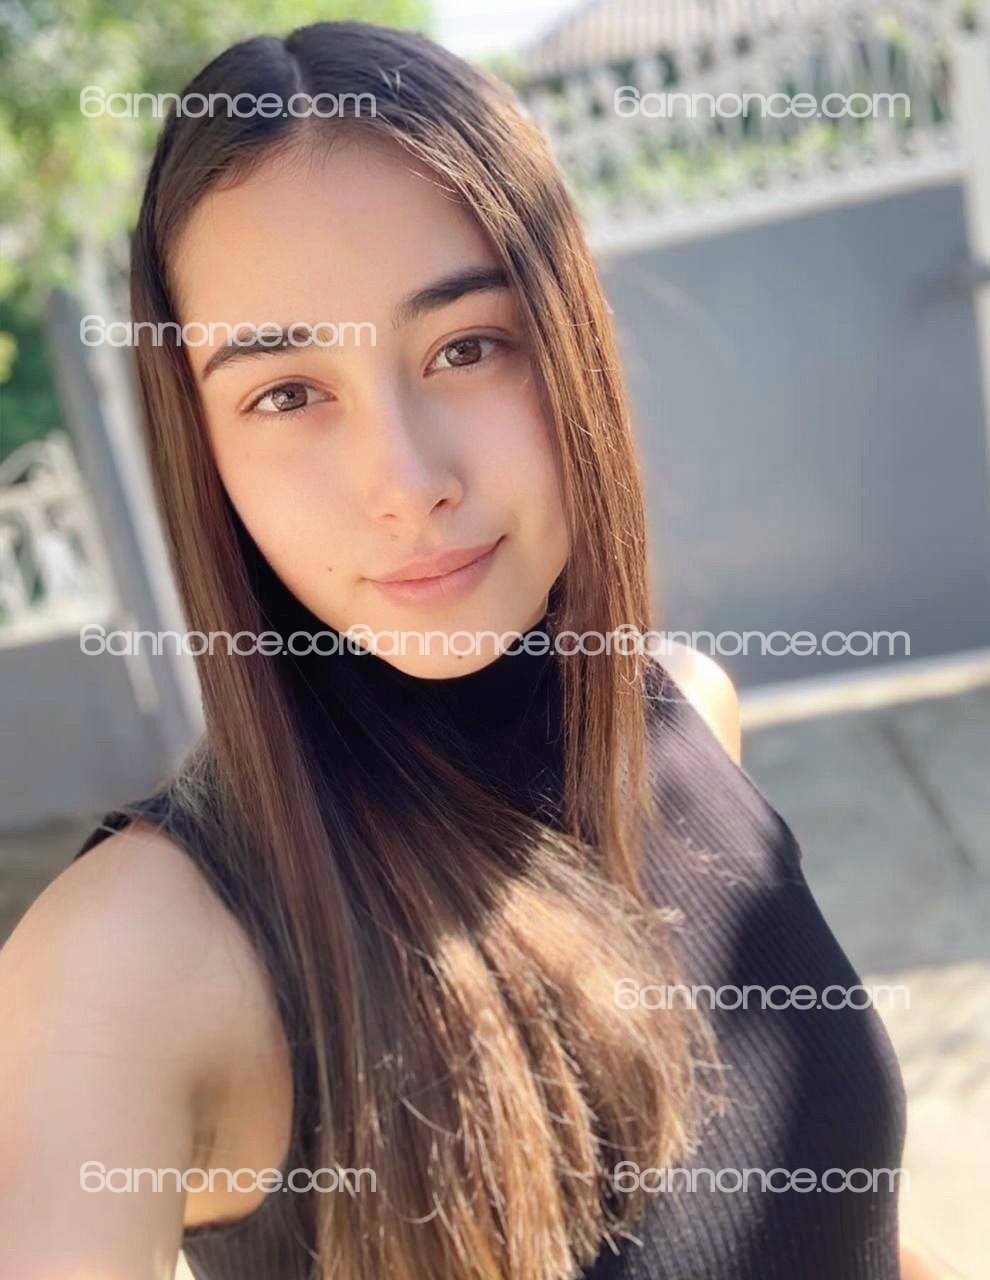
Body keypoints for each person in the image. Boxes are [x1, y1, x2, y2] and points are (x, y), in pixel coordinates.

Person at [1, 20, 928, 1280]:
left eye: (466, 347)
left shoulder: (680, 714)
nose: (406, 481)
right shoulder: (125, 963)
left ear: (570, 346)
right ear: (202, 448)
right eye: (286, 393)